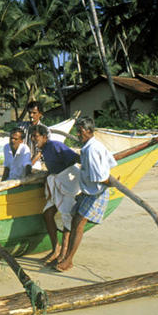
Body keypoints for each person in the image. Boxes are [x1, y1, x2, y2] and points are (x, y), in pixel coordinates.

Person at [55, 117, 117, 272]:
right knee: (74, 221)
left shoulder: (91, 150)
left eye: (80, 131)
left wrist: (110, 183)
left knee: (78, 225)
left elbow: (100, 178)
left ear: (89, 131)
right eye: (77, 131)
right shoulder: (91, 146)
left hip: (96, 193)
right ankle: (66, 256)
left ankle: (68, 260)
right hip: (88, 191)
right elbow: (111, 162)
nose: (78, 134)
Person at [31, 124, 81, 265]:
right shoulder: (43, 149)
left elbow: (76, 158)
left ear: (44, 137)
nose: (34, 139)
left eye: (36, 136)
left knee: (67, 216)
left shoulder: (55, 145)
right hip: (58, 181)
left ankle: (64, 253)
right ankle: (56, 249)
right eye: (32, 136)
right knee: (47, 213)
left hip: (69, 181)